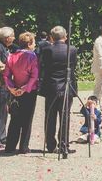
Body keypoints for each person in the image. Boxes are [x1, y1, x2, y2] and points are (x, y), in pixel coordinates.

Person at [39, 26, 78, 154]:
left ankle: (50, 144)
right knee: (65, 116)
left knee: (50, 116)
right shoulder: (72, 50)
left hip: (51, 86)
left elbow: (43, 66)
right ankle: (63, 145)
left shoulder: (46, 49)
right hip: (66, 86)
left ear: (51, 37)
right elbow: (73, 67)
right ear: (65, 36)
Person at [2, 32, 39, 154]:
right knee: (27, 119)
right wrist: (25, 88)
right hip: (29, 91)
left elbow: (6, 76)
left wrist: (12, 88)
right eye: (33, 42)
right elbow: (34, 76)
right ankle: (24, 146)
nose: (34, 45)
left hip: (15, 89)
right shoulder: (32, 56)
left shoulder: (11, 56)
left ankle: (10, 146)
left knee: (15, 118)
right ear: (29, 44)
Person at [0, 26, 15, 148]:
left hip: (4, 85)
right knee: (1, 112)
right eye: (12, 36)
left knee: (4, 112)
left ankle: (1, 136)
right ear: (7, 38)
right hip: (0, 85)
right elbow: (0, 68)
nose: (14, 38)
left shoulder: (4, 48)